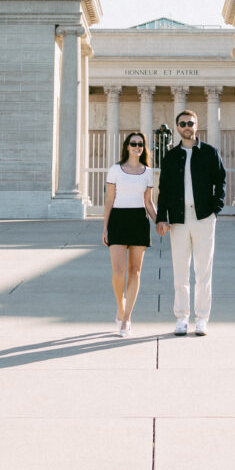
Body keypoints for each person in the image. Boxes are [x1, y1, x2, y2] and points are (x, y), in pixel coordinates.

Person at [156, 110, 226, 336]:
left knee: (203, 271)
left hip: (203, 218)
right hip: (178, 220)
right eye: (183, 123)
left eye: (190, 123)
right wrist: (161, 218)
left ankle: (202, 319)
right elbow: (163, 189)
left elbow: (221, 181)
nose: (187, 126)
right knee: (180, 271)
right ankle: (182, 318)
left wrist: (215, 209)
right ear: (177, 128)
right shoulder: (170, 156)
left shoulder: (209, 153)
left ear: (197, 126)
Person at [102, 131, 157, 337]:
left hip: (138, 221)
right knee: (118, 272)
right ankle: (120, 306)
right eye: (133, 143)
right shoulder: (115, 170)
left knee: (134, 271)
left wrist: (159, 222)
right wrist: (105, 227)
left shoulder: (148, 172)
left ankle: (126, 319)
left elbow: (149, 202)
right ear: (127, 146)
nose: (137, 147)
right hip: (117, 220)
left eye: (140, 144)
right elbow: (109, 200)